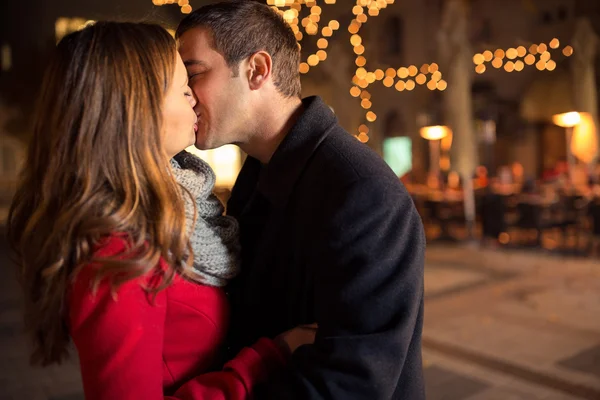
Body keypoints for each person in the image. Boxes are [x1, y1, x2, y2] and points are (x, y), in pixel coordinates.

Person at [7, 21, 314, 400]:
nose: (194, 97)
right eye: (181, 86)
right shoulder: (118, 253)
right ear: (136, 109)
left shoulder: (180, 211)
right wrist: (264, 360)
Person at [177, 2, 426, 398]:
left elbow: (350, 382)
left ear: (257, 70)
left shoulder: (361, 192)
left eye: (193, 74)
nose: (185, 96)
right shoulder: (260, 172)